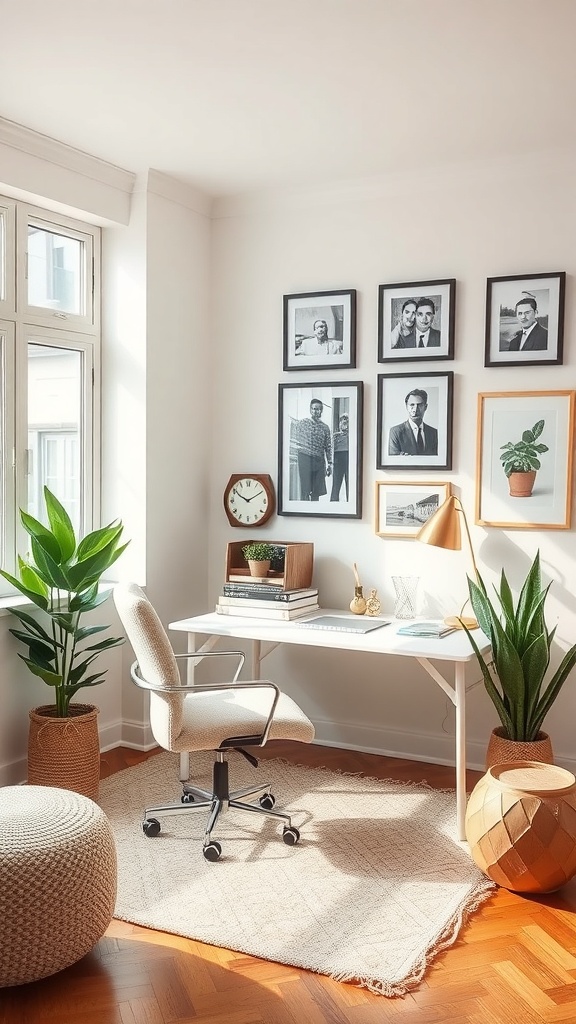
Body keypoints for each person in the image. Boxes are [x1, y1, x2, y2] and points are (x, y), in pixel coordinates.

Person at [293, 399, 332, 500]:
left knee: (316, 492)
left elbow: (328, 446)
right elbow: (295, 438)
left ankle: (315, 512)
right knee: (305, 490)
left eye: (319, 409)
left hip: (318, 460)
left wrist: (330, 463)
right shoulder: (302, 423)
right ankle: (304, 512)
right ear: (310, 410)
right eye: (314, 409)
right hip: (305, 458)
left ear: (321, 411)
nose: (316, 411)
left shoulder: (325, 428)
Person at [388, 389, 438, 456]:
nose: (415, 409)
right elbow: (392, 460)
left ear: (425, 407)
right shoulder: (395, 432)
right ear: (406, 406)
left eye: (419, 405)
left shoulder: (434, 433)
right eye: (412, 405)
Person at [330, 413, 349, 501]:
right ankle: (333, 505)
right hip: (338, 459)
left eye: (347, 421)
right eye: (343, 422)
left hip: (349, 458)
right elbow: (330, 448)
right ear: (340, 423)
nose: (344, 424)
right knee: (336, 485)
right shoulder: (335, 436)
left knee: (350, 484)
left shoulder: (352, 435)